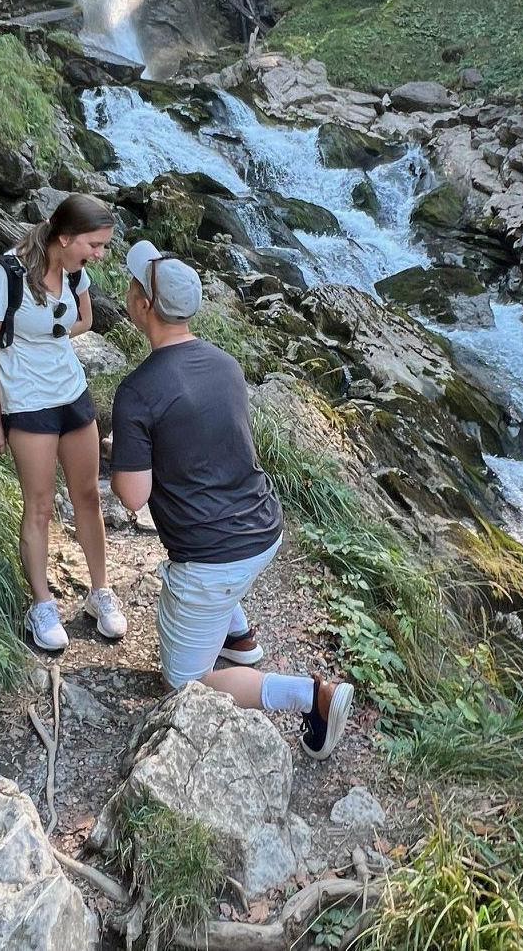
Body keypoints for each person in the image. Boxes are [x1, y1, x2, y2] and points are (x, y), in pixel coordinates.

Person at [108, 240, 355, 759]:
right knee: (223, 569)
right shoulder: (225, 364)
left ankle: (312, 696)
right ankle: (238, 637)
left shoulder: (138, 391)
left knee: (184, 682)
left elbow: (133, 496)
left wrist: (116, 452)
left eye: (134, 287)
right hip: (264, 529)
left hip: (213, 558)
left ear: (143, 307)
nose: (130, 291)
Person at [0, 193, 127, 653]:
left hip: (71, 393)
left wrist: (49, 336)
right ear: (65, 238)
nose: (99, 255)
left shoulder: (75, 269)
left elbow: (85, 319)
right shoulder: (6, 275)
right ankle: (41, 604)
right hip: (27, 401)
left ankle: (100, 593)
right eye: (95, 245)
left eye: (103, 246)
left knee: (88, 497)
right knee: (38, 505)